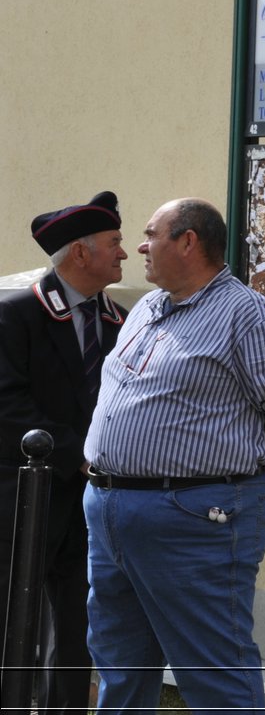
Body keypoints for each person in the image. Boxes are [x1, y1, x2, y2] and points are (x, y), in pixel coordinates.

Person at [82, 198, 265, 715]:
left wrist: (251, 477)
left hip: (195, 519)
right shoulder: (148, 307)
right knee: (120, 664)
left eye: (152, 235)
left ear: (189, 242)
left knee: (214, 673)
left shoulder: (248, 317)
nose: (141, 247)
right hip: (112, 513)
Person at [0, 191, 127, 715]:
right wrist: (78, 453)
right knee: (11, 628)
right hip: (21, 502)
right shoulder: (16, 313)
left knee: (77, 632)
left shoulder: (121, 321)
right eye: (114, 242)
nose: (124, 253)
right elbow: (8, 405)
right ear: (80, 253)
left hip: (89, 503)